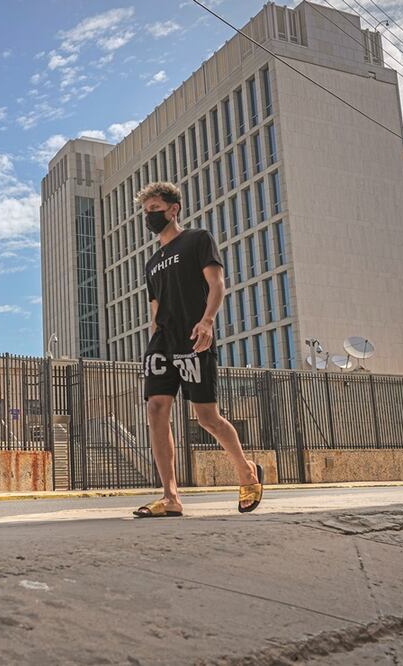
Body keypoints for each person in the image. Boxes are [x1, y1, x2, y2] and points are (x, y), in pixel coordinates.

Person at [132, 181, 263, 518]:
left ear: (173, 209)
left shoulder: (197, 239)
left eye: (155, 209)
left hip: (194, 336)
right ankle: (170, 497)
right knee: (157, 409)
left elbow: (216, 283)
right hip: (163, 341)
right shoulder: (152, 262)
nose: (150, 216)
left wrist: (207, 321)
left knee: (207, 417)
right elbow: (155, 305)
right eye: (146, 211)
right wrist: (153, 340)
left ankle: (247, 473)